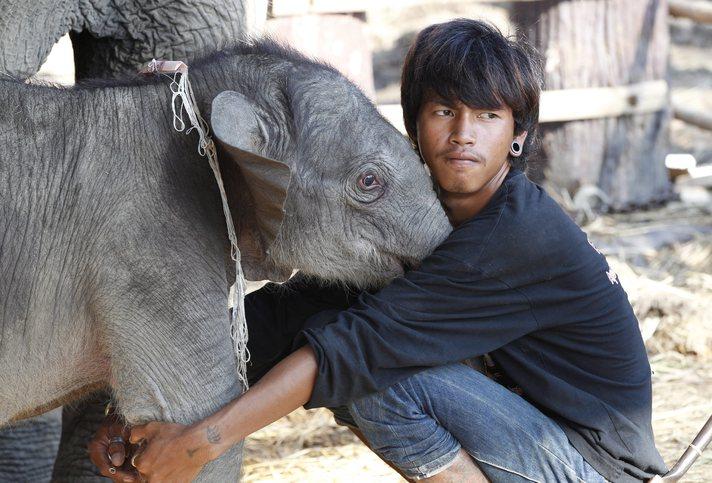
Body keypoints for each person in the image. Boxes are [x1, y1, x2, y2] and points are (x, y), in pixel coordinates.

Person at [90, 19, 667, 482]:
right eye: (444, 111)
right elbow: (291, 313)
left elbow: (361, 348)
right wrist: (143, 415)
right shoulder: (424, 215)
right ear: (413, 125)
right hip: (531, 429)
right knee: (328, 327)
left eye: (488, 115)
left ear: (517, 135)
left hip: (588, 466)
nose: (463, 133)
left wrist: (198, 445)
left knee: (379, 378)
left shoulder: (515, 235)